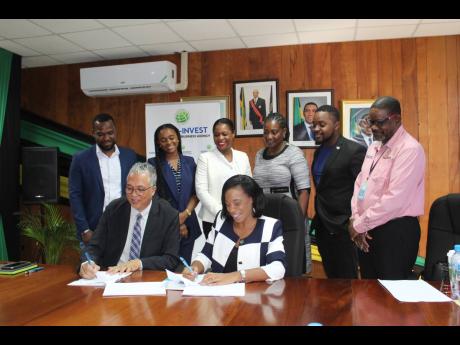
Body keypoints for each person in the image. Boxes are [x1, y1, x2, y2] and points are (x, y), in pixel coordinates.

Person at [348, 96, 426, 280]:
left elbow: (395, 199)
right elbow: (360, 183)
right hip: (367, 229)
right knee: (368, 291)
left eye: (379, 122)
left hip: (395, 231)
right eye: (371, 121)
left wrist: (359, 225)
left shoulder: (409, 149)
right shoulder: (374, 147)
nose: (374, 127)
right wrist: (355, 218)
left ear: (396, 119)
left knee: (391, 297)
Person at [79, 162, 180, 279]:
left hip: (147, 279)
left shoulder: (168, 214)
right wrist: (86, 263)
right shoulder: (114, 209)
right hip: (112, 276)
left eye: (140, 189)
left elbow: (171, 259)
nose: (133, 194)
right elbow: (94, 246)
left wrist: (139, 263)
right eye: (129, 188)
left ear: (153, 190)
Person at [182, 175, 286, 285]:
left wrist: (237, 276)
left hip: (253, 296)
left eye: (237, 203)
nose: (231, 210)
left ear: (252, 199)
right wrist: (195, 267)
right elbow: (206, 255)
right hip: (218, 296)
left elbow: (278, 268)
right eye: (227, 205)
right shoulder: (221, 220)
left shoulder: (270, 226)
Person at [310, 105, 366, 279]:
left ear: (336, 125)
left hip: (343, 229)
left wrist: (354, 221)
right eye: (314, 125)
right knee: (331, 281)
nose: (316, 129)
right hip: (323, 228)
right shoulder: (319, 152)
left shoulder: (353, 151)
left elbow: (363, 190)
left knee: (347, 284)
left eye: (322, 124)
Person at [253, 113, 312, 275]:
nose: (269, 136)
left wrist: (298, 222)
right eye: (265, 132)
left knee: (291, 263)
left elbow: (304, 191)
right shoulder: (259, 154)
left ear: (284, 132)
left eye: (274, 132)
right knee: (269, 262)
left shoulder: (293, 153)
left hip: (289, 214)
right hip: (265, 214)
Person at [69, 113, 137, 248]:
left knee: (123, 269)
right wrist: (84, 229)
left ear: (115, 131)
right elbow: (75, 195)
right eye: (100, 134)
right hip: (93, 230)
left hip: (124, 227)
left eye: (110, 133)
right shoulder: (80, 159)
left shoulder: (129, 156)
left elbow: (135, 191)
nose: (106, 138)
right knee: (92, 269)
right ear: (93, 133)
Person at [147, 124, 200, 263]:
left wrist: (185, 215)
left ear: (178, 139)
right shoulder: (152, 164)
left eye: (172, 138)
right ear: (158, 143)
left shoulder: (190, 162)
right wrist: (177, 221)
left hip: (189, 224)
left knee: (185, 266)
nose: (169, 142)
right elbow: (154, 197)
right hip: (165, 225)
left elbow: (196, 193)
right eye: (163, 140)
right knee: (168, 266)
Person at [195, 118, 252, 239]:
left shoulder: (242, 157)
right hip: (213, 218)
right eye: (216, 135)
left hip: (242, 218)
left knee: (240, 255)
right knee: (217, 256)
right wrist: (224, 213)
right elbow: (201, 191)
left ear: (233, 134)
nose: (220, 138)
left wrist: (242, 212)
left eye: (224, 134)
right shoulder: (205, 158)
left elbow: (250, 187)